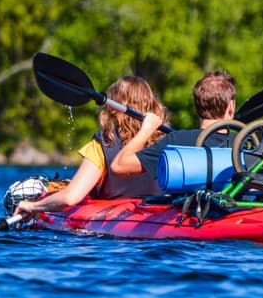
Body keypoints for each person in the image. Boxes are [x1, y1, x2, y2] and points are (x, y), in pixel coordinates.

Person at [13, 76, 168, 218]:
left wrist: (33, 206)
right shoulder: (169, 142)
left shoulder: (105, 142)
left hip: (113, 237)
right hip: (162, 219)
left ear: (112, 109)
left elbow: (70, 198)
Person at [111, 70, 236, 179]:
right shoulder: (246, 144)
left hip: (190, 206)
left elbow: (118, 166)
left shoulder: (177, 141)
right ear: (230, 107)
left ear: (196, 107)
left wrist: (146, 129)